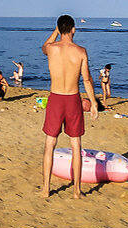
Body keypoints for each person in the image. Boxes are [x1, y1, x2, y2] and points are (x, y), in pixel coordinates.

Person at [39, 15, 99, 199]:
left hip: (56, 98)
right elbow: (87, 79)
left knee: (50, 144)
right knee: (76, 145)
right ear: (73, 29)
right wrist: (93, 102)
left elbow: (43, 48)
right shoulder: (81, 51)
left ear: (59, 29)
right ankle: (76, 191)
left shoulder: (52, 48)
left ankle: (46, 189)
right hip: (72, 99)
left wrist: (56, 32)